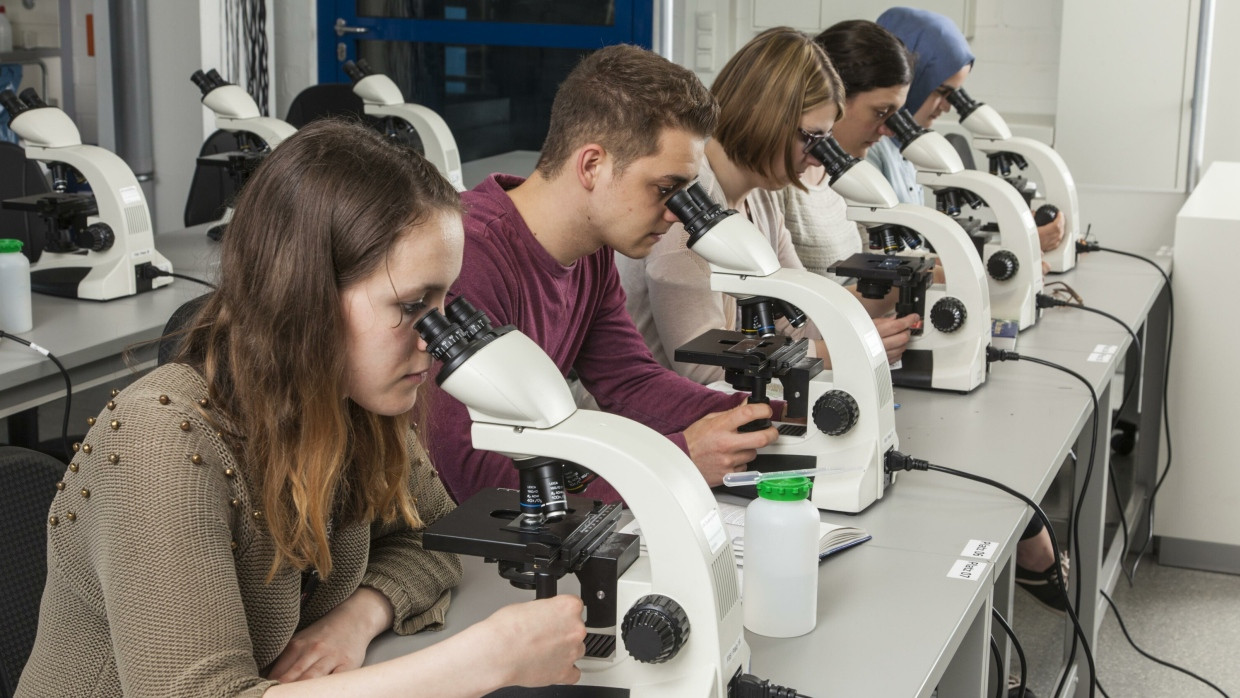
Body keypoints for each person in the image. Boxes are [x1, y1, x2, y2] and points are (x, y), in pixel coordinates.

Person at [17, 119, 586, 697]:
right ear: (306, 297)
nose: (433, 340)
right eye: (413, 305)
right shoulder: (157, 440)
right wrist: (486, 661)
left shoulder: (353, 400)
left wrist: (356, 618)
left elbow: (431, 535)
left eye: (445, 302)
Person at [423, 44, 780, 504]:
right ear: (593, 165)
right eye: (666, 189)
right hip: (444, 532)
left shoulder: (591, 250)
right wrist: (677, 461)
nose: (677, 214)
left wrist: (759, 412)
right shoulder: (467, 255)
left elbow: (630, 381)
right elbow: (464, 470)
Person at [617, 27, 920, 385]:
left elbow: (800, 320)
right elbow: (703, 367)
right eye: (812, 139)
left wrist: (901, 286)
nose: (818, 160)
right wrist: (846, 349)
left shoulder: (760, 197)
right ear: (765, 114)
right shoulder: (688, 203)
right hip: (653, 422)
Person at [868, 6, 1066, 264]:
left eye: (955, 95)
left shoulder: (905, 147)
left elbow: (919, 247)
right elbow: (885, 260)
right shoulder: (870, 148)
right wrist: (1020, 246)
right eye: (940, 91)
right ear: (912, 78)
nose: (948, 107)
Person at [779, 20, 913, 288]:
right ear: (836, 92)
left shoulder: (847, 168)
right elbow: (791, 309)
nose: (888, 130)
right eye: (880, 112)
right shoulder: (779, 177)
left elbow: (875, 258)